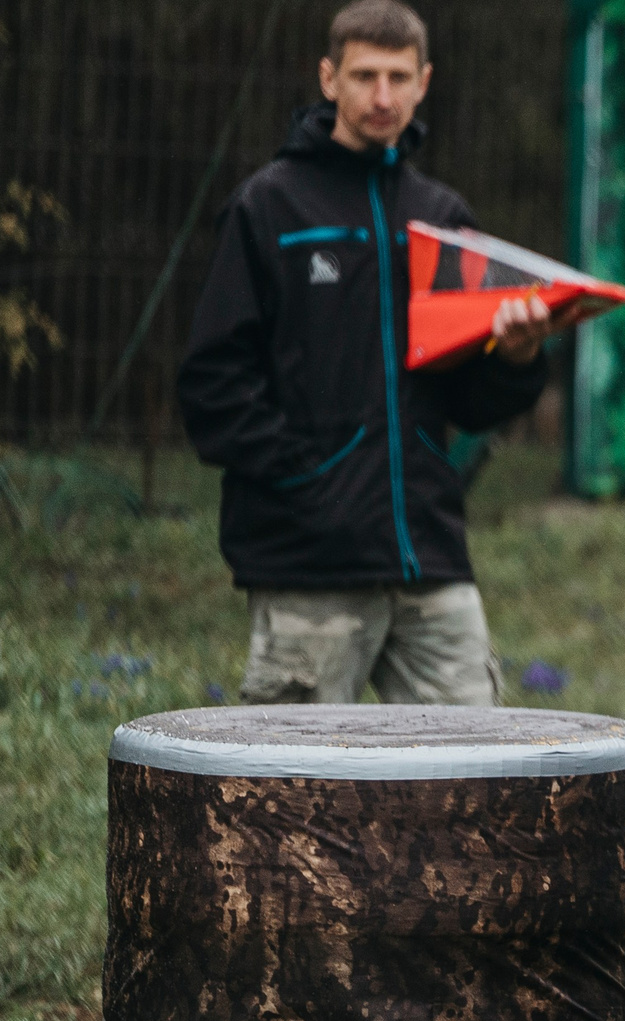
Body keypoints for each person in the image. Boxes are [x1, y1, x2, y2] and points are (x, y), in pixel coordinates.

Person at [178, 0, 565, 706]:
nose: (381, 96)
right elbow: (211, 387)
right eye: (363, 76)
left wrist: (515, 358)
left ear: (424, 82)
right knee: (295, 796)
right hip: (307, 565)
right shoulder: (267, 208)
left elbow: (468, 400)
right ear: (328, 80)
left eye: (397, 76)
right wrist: (309, 483)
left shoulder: (443, 218)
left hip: (431, 558)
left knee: (471, 782)